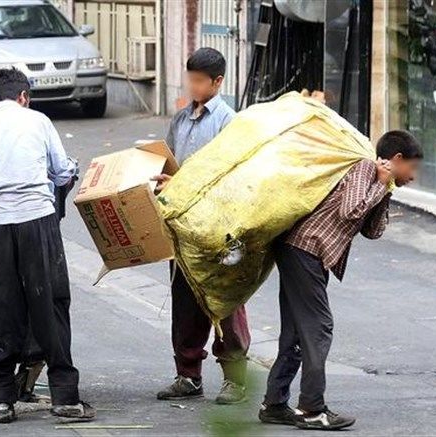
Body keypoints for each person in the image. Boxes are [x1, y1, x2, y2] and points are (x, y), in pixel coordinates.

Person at [0, 68, 95, 424]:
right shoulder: (39, 122)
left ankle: (1, 400)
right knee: (52, 304)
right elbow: (63, 173)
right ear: (24, 96)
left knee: (1, 309)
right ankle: (65, 398)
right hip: (38, 224)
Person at [258, 131, 424, 430]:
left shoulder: (379, 181)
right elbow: (350, 211)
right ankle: (312, 409)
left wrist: (384, 190)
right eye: (411, 168)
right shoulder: (363, 167)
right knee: (319, 327)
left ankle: (274, 404)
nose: (412, 177)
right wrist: (380, 183)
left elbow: (371, 231)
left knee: (297, 330)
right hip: (305, 248)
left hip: (308, 253)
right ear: (397, 159)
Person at [153, 47, 251, 404]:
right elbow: (172, 166)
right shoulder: (180, 120)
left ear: (218, 82)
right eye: (189, 79)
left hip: (218, 227)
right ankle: (188, 374)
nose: (192, 86)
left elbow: (228, 175)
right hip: (181, 226)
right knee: (185, 302)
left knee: (224, 300)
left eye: (199, 81)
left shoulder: (229, 121)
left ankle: (235, 378)